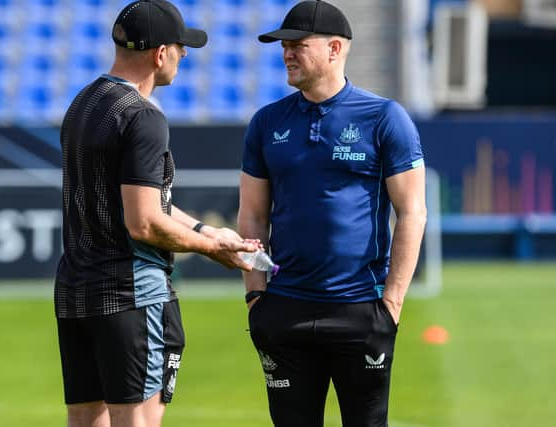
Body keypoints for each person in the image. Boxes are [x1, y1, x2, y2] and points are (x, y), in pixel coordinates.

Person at [54, 1, 259, 426]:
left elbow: (144, 201)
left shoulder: (83, 102)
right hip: (131, 296)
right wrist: (211, 249)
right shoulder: (144, 116)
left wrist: (208, 230)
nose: (185, 56)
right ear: (160, 53)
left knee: (86, 419)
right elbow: (144, 221)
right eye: (181, 48)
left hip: (76, 292)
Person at [238, 1, 427, 426]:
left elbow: (413, 213)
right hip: (284, 310)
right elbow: (251, 216)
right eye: (283, 45)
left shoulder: (385, 118)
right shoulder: (266, 123)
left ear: (335, 48)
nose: (286, 53)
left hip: (361, 310)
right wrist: (255, 296)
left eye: (298, 44)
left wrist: (391, 304)